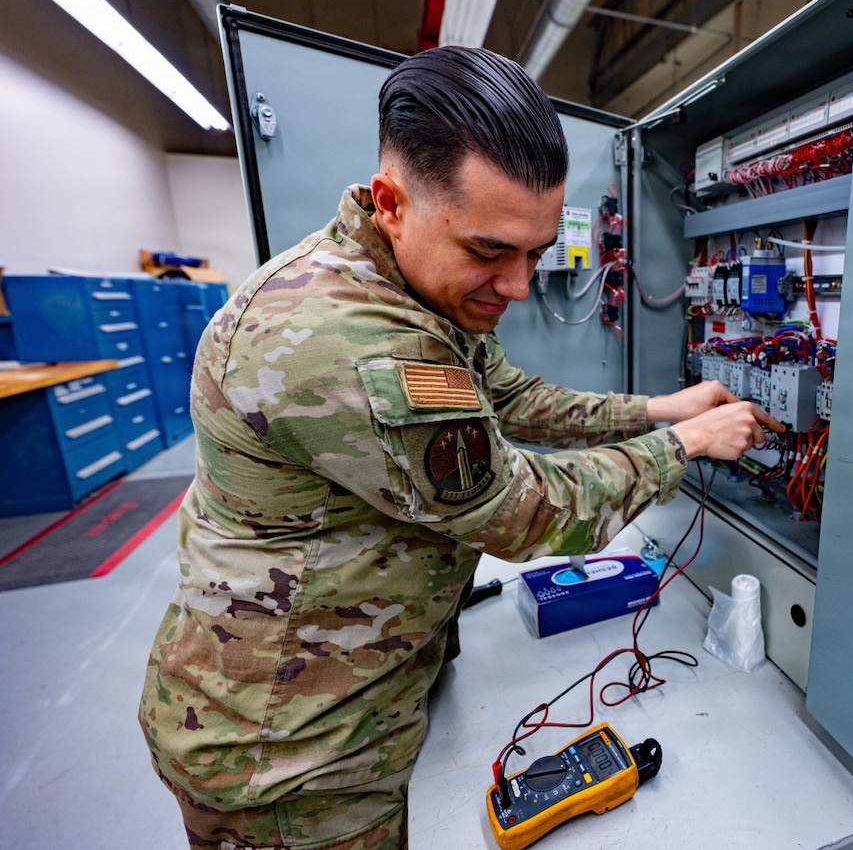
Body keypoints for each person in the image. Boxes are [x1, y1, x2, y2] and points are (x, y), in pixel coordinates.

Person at [138, 45, 779, 850]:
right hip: (288, 756)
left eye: (536, 253)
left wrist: (657, 405)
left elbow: (511, 400)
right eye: (488, 252)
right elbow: (525, 515)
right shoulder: (350, 345)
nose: (517, 285)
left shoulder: (413, 295)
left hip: (354, 691)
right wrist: (684, 443)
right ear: (392, 203)